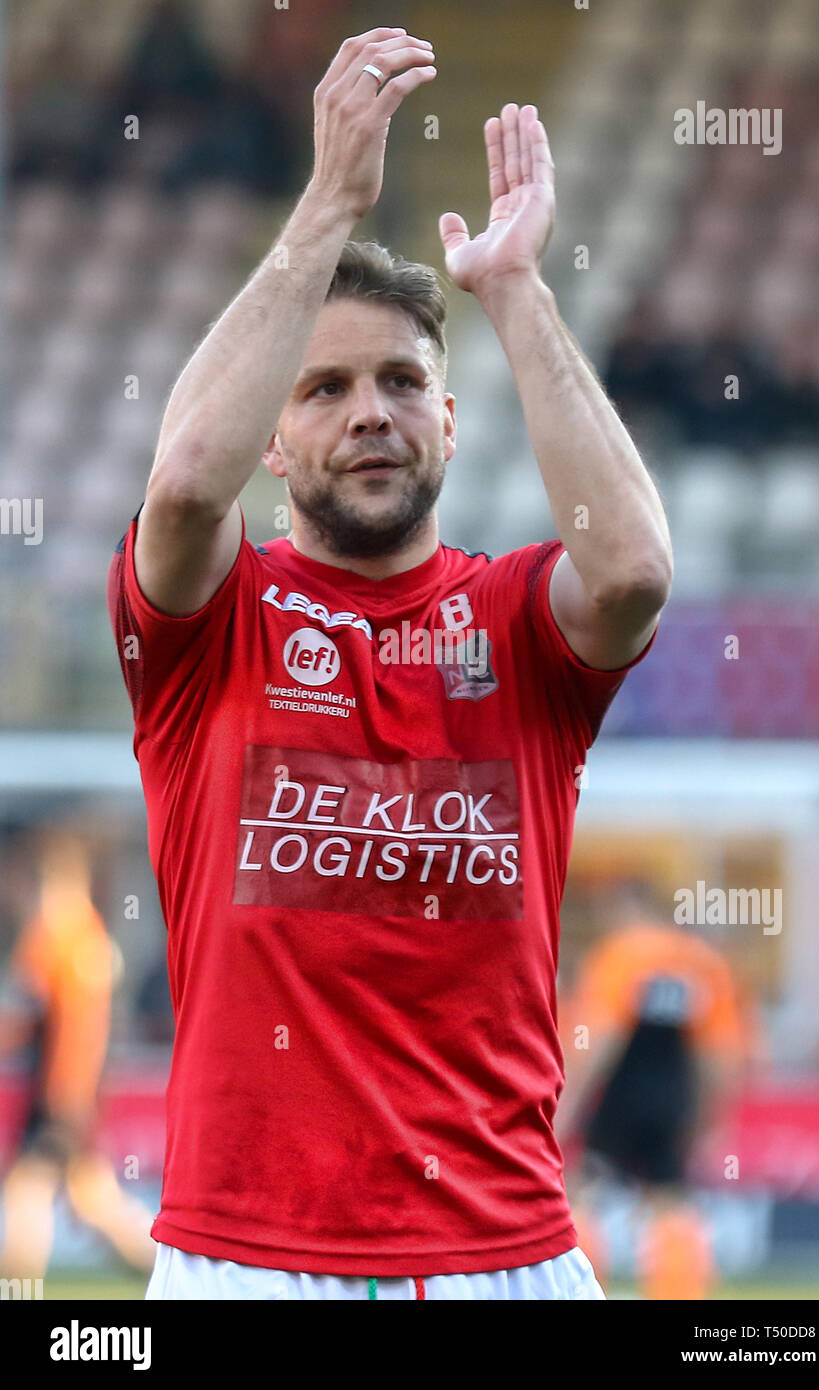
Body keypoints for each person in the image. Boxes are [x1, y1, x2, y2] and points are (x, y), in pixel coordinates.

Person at [107, 27, 672, 1301]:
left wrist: (514, 290)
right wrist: (326, 207)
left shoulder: (517, 621)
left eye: (401, 382)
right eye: (322, 389)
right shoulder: (213, 620)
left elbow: (633, 569)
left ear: (449, 418)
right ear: (274, 434)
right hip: (244, 1257)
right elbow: (185, 481)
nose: (369, 410)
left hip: (505, 1254)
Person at [557, 883, 753, 1300]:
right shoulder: (702, 963)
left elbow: (597, 1041)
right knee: (671, 1201)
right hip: (673, 1100)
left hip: (618, 1100)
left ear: (628, 908)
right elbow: (719, 1057)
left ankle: (586, 1291)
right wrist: (707, 1121)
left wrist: (567, 1109)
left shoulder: (621, 953)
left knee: (586, 1193)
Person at [0, 834, 154, 1280]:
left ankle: (16, 1291)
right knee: (94, 1203)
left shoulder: (54, 938)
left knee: (25, 1196)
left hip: (60, 1092)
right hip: (77, 1088)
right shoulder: (88, 937)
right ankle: (158, 1268)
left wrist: (64, 1096)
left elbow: (31, 1020)